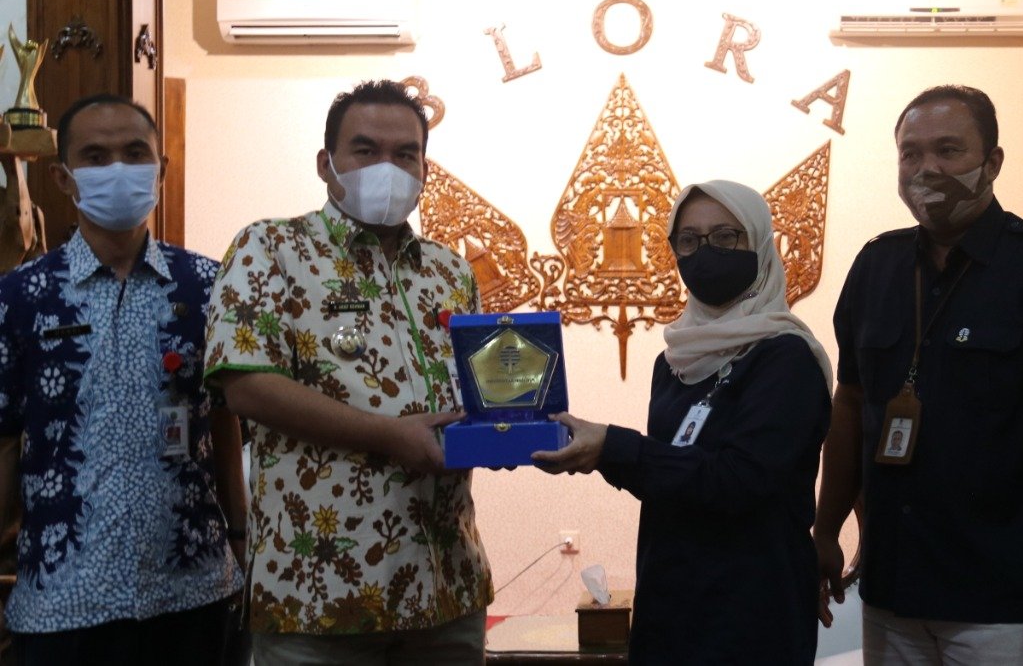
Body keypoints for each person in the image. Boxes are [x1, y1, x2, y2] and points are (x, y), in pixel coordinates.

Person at [814, 85, 1023, 666]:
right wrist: (825, 531)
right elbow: (849, 406)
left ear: (993, 162)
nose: (926, 168)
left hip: (1006, 600)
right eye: (910, 153)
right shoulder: (875, 266)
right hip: (892, 589)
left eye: (948, 150)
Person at [203, 79, 490, 665]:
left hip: (446, 585)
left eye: (405, 154)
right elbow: (246, 387)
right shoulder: (271, 248)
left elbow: (477, 391)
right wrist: (389, 435)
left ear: (425, 169)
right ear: (325, 163)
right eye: (365, 150)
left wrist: (507, 430)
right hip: (319, 587)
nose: (387, 167)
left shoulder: (451, 272)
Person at [533, 179, 832, 665]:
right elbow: (672, 478)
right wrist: (603, 453)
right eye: (689, 240)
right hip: (670, 606)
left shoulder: (787, 359)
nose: (705, 252)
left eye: (726, 236)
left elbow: (737, 481)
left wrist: (612, 447)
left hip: (751, 615)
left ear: (758, 242)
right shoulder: (674, 362)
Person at [0, 94, 245, 665]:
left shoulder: (208, 286)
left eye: (135, 153)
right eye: (95, 156)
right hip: (62, 601)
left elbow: (224, 419)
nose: (117, 169)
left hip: (195, 591)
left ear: (161, 169)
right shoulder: (20, 297)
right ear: (63, 177)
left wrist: (240, 535)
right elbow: (6, 438)